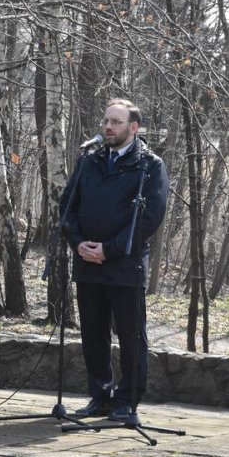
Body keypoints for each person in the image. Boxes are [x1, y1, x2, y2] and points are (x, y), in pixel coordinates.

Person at [61, 98, 169, 422]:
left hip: (125, 266)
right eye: (106, 120)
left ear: (133, 128)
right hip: (87, 264)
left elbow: (149, 219)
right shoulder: (89, 160)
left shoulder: (150, 165)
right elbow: (68, 207)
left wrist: (109, 249)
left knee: (131, 336)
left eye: (116, 122)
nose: (108, 127)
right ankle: (101, 396)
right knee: (93, 335)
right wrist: (79, 244)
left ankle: (126, 402)